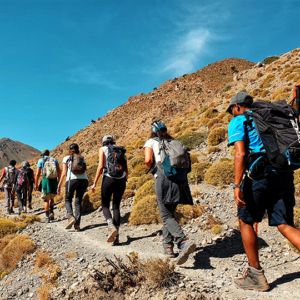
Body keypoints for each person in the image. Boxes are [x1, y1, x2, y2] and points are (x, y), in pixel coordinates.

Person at [227, 92, 300, 291]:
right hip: (284, 173)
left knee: (246, 220)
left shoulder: (240, 120)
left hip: (259, 177)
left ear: (236, 106)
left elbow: (240, 153)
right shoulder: (271, 116)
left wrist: (236, 185)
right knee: (284, 224)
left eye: (231, 110)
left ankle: (256, 276)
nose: (231, 114)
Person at [144, 122, 196, 265]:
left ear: (153, 132)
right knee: (170, 213)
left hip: (163, 178)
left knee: (165, 215)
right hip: (179, 178)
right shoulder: (173, 142)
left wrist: (153, 168)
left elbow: (148, 160)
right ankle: (168, 247)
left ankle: (182, 241)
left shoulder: (151, 141)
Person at [91, 135, 128, 245]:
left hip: (108, 179)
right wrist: (126, 178)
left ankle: (111, 226)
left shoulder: (103, 149)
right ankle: (117, 237)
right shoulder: (121, 149)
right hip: (121, 179)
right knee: (116, 206)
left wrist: (94, 183)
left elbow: (101, 166)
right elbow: (126, 167)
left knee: (105, 205)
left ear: (104, 142)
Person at [57, 143, 88, 232]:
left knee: (68, 199)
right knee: (78, 201)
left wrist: (59, 185)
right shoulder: (82, 158)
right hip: (84, 180)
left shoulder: (66, 158)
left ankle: (70, 217)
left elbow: (63, 173)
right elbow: (85, 170)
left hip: (72, 180)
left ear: (69, 150)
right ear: (78, 149)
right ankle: (77, 225)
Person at [35, 149, 61, 222]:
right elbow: (59, 172)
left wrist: (36, 183)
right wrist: (59, 182)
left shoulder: (41, 160)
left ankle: (47, 217)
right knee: (52, 197)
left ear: (43, 154)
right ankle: (52, 212)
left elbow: (37, 173)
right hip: (54, 181)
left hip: (45, 180)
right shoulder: (54, 160)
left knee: (46, 199)